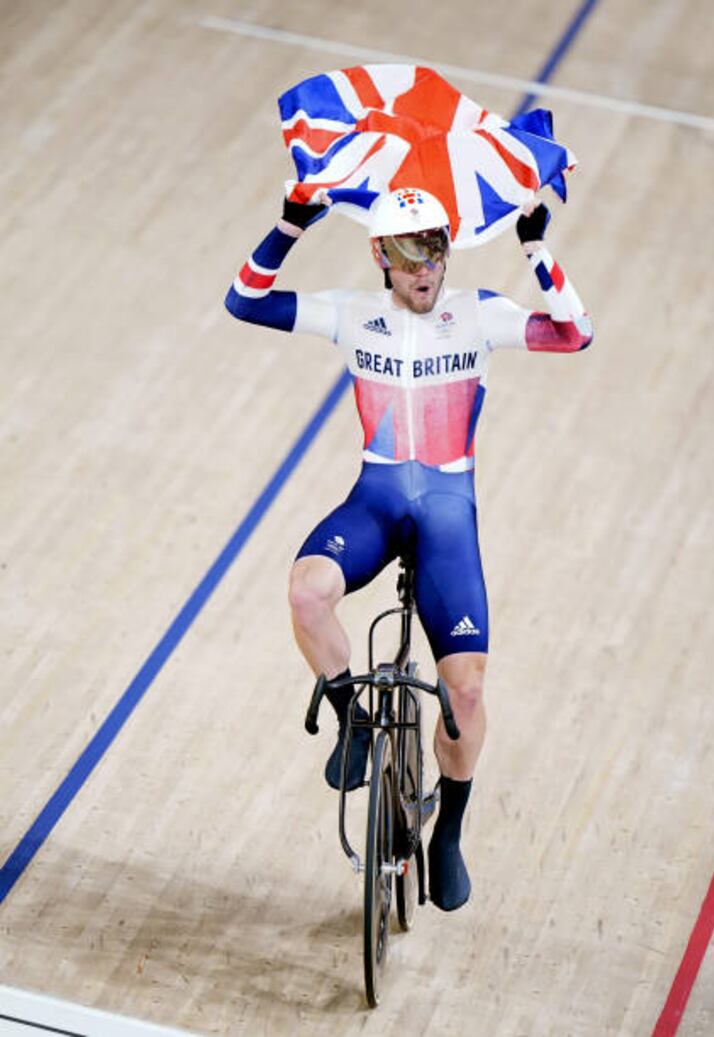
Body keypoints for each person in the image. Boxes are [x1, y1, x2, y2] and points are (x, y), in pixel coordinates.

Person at [225, 186, 592, 911]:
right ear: (380, 256)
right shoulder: (354, 314)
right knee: (306, 591)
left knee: (469, 690)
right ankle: (353, 717)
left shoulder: (478, 313)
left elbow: (574, 333)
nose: (425, 268)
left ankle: (448, 832)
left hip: (449, 515)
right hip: (378, 501)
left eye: (436, 248)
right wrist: (288, 225)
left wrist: (537, 246)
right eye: (407, 252)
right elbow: (245, 300)